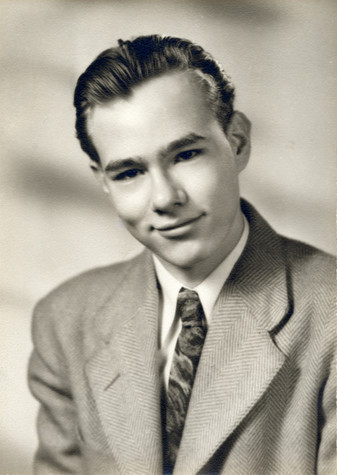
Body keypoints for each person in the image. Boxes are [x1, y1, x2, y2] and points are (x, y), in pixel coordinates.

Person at [28, 35, 335, 475]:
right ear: (103, 181)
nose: (165, 198)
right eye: (130, 172)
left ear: (238, 142)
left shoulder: (330, 315)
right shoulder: (64, 320)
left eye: (186, 154)